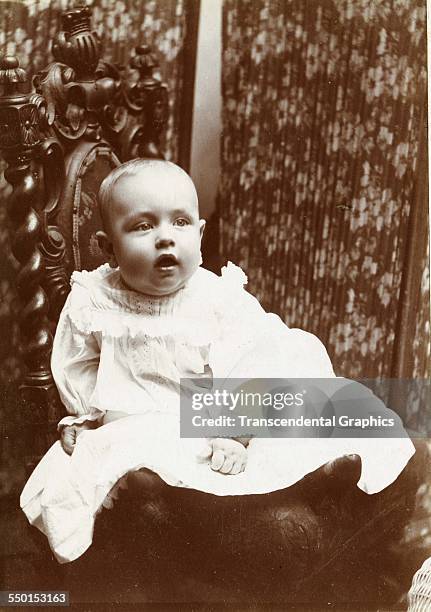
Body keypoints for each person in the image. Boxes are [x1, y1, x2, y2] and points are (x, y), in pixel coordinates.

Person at [20, 159, 415, 564]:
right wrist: (83, 417)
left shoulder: (216, 298)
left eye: (180, 223)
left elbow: (252, 361)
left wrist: (234, 431)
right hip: (134, 423)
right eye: (143, 226)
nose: (165, 239)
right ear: (109, 247)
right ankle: (177, 501)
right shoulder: (93, 298)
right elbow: (77, 366)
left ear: (201, 232)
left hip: (213, 417)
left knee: (304, 393)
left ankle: (315, 476)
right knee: (123, 463)